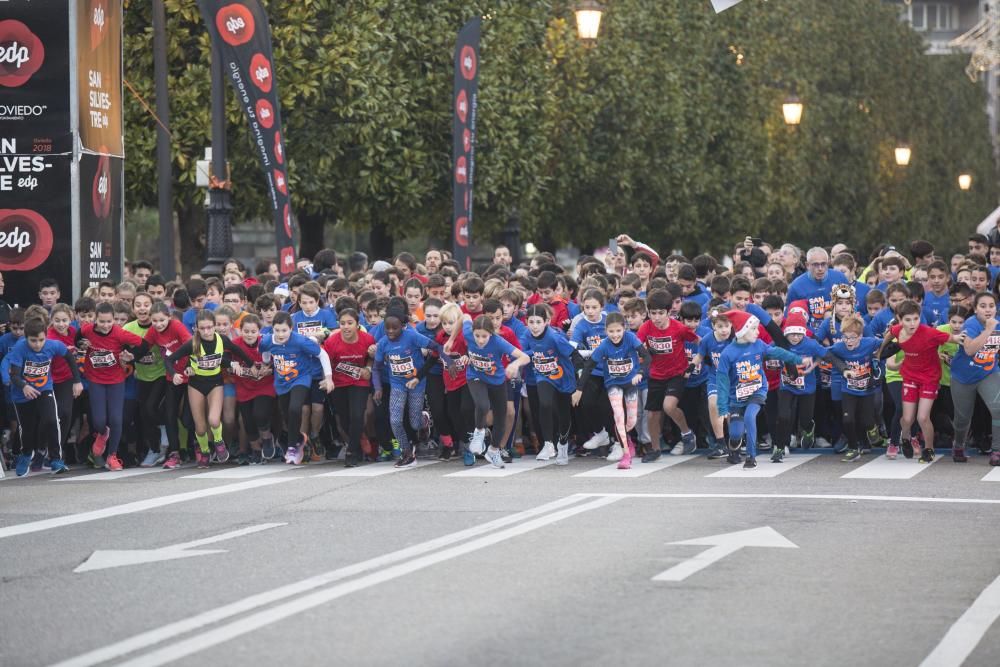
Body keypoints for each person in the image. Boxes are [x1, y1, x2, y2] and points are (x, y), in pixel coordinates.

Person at [163, 309, 255, 468]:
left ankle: (219, 442)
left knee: (213, 419)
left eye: (209, 327)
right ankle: (205, 451)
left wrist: (250, 365)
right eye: (202, 328)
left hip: (215, 384)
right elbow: (169, 360)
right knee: (200, 428)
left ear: (214, 327)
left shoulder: (222, 340)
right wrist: (175, 374)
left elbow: (237, 351)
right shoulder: (192, 343)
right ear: (196, 329)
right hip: (196, 385)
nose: (206, 331)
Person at [716, 310, 804, 469]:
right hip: (736, 396)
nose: (758, 332)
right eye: (754, 328)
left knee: (750, 417)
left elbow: (776, 352)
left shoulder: (758, 344)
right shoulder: (727, 354)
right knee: (736, 432)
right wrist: (722, 406)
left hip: (758, 390)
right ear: (742, 330)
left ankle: (751, 456)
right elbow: (722, 381)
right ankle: (734, 447)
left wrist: (796, 358)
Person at [880, 300, 964, 463]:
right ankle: (905, 438)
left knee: (923, 418)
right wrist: (880, 351)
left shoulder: (929, 333)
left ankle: (929, 448)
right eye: (908, 320)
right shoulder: (897, 330)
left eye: (916, 319)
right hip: (910, 377)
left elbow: (953, 338)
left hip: (929, 379)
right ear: (899, 318)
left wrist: (964, 338)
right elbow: (890, 333)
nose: (913, 323)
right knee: (906, 418)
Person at [446, 315, 529, 468]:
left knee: (500, 418)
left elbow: (525, 357)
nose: (480, 340)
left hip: (497, 381)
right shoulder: (468, 334)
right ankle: (478, 432)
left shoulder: (498, 342)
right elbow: (463, 317)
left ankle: (494, 450)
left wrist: (515, 364)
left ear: (491, 333)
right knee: (482, 405)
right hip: (475, 376)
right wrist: (451, 339)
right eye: (477, 336)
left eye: (484, 336)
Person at [5, 318, 83, 476]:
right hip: (22, 393)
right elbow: (14, 375)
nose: (37, 344)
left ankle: (55, 459)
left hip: (44, 389)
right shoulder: (20, 348)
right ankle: (26, 454)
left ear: (46, 336)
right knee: (27, 428)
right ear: (26, 338)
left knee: (52, 420)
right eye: (33, 341)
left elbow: (69, 357)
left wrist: (77, 381)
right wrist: (24, 386)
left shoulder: (53, 345)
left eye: (41, 340)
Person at [574, 312, 650, 469]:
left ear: (624, 329)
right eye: (611, 331)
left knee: (631, 420)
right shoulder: (604, 345)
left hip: (630, 383)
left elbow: (646, 357)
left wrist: (640, 373)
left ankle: (625, 439)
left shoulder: (631, 339)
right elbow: (589, 366)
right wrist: (579, 389)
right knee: (618, 416)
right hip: (613, 383)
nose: (615, 335)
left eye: (618, 331)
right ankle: (626, 454)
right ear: (606, 331)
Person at [258, 311, 334, 465]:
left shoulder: (300, 341)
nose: (280, 334)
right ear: (272, 329)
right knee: (287, 416)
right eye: (277, 330)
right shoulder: (267, 340)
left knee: (295, 409)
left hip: (301, 378)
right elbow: (263, 351)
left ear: (291, 328)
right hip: (281, 383)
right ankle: (300, 438)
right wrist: (266, 362)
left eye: (284, 330)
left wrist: (328, 378)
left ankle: (292, 448)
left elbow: (322, 354)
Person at [77, 302, 145, 471]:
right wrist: (81, 345)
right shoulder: (86, 330)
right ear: (95, 320)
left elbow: (143, 344)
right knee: (99, 420)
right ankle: (102, 433)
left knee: (116, 419)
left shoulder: (120, 333)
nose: (106, 325)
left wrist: (132, 356)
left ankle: (112, 456)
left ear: (114, 320)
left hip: (116, 380)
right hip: (95, 379)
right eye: (102, 322)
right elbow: (77, 339)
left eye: (109, 321)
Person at [372, 311, 443, 468]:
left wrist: (448, 360)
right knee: (395, 420)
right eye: (387, 328)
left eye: (394, 328)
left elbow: (436, 347)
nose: (390, 331)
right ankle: (407, 453)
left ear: (402, 328)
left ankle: (424, 421)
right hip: (397, 384)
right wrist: (377, 387)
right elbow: (376, 368)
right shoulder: (383, 343)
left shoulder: (412, 336)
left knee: (414, 423)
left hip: (417, 383)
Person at [949, 293, 1000, 465]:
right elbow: (970, 350)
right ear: (976, 308)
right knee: (963, 418)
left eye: (991, 305)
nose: (988, 310)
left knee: (998, 408)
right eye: (983, 306)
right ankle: (958, 444)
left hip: (988, 373)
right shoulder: (971, 323)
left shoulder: (998, 323)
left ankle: (997, 451)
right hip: (963, 377)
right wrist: (988, 330)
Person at [323, 308, 375, 467]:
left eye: (350, 323)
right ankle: (359, 439)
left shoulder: (367, 339)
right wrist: (327, 379)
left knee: (357, 415)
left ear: (358, 325)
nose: (346, 327)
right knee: (344, 420)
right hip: (339, 383)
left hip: (359, 382)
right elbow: (325, 362)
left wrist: (368, 368)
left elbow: (371, 359)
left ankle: (352, 452)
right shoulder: (332, 341)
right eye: (342, 323)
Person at [786, 248, 849, 328]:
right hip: (810, 331)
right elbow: (790, 316)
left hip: (839, 327)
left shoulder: (840, 278)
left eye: (823, 264)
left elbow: (851, 305)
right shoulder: (796, 286)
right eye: (815, 265)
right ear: (807, 265)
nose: (820, 268)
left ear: (828, 263)